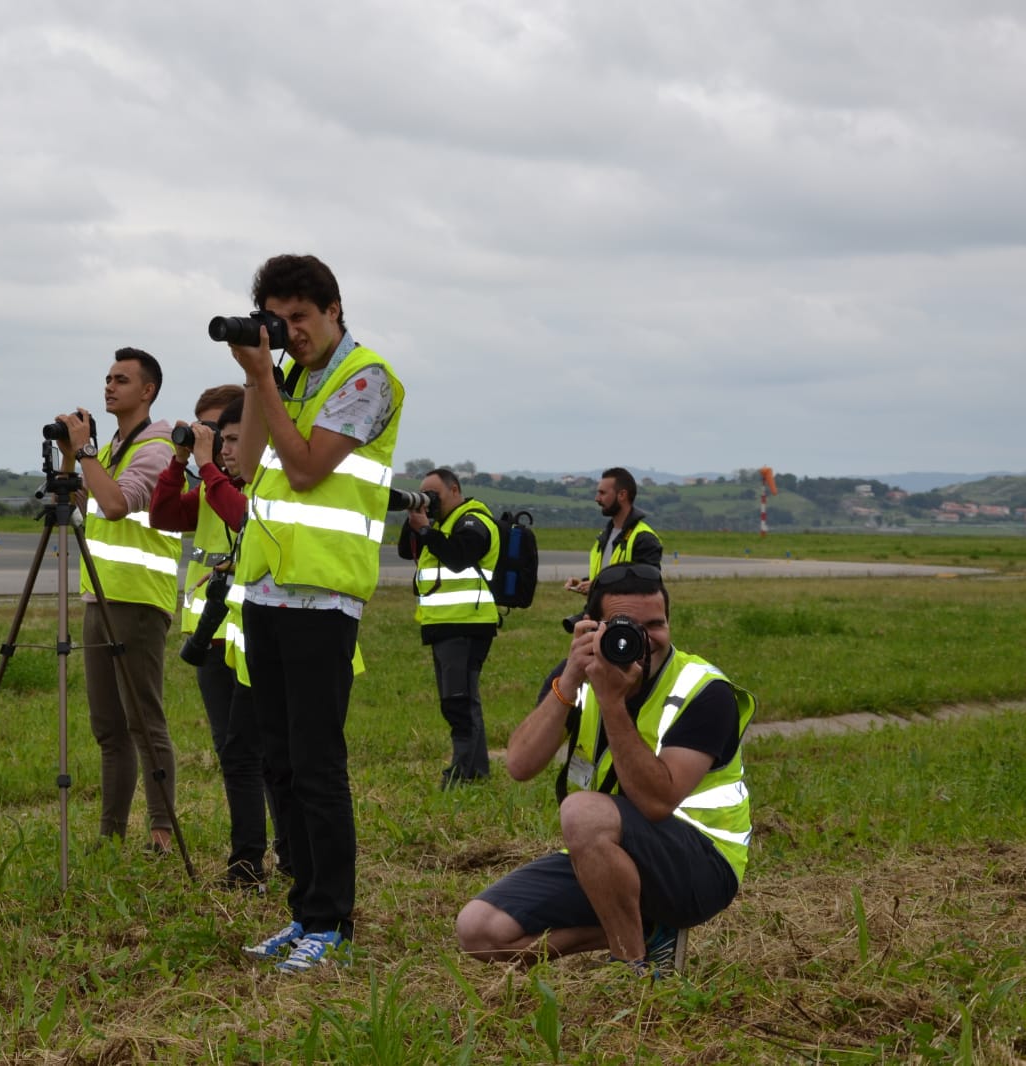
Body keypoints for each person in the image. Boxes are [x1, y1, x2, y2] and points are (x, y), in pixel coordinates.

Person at [227, 254, 405, 973]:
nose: (290, 332)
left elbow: (304, 468)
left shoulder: (366, 378)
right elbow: (244, 465)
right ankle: (303, 911)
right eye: (279, 319)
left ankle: (331, 919)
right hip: (268, 590)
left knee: (317, 764)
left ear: (334, 309)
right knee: (278, 761)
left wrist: (265, 377)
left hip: (324, 596)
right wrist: (255, 376)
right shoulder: (286, 378)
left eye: (300, 317)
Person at [455, 563, 755, 977]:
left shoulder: (704, 691)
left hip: (701, 866)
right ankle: (647, 931)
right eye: (627, 626)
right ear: (591, 626)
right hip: (608, 852)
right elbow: (521, 765)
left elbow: (656, 801)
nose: (645, 639)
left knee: (581, 811)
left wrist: (612, 703)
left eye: (657, 624)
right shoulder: (578, 677)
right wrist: (571, 677)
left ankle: (630, 970)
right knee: (479, 931)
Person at [51, 348, 182, 852]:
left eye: (121, 379)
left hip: (139, 602)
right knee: (108, 727)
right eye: (107, 378)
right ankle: (110, 834)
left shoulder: (155, 447)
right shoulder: (112, 451)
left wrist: (85, 454)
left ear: (147, 391)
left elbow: (114, 503)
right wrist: (71, 455)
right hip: (98, 598)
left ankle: (161, 831)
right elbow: (82, 506)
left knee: (143, 722)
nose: (109, 386)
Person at [150, 386, 278, 888]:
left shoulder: (262, 486)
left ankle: (263, 859)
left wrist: (204, 466)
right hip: (211, 638)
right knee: (235, 754)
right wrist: (179, 460)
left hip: (252, 636)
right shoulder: (209, 484)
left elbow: (241, 515)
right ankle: (249, 859)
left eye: (227, 436)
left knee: (263, 756)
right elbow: (162, 515)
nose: (220, 447)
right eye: (211, 435)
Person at [397, 467, 501, 787]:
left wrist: (427, 531)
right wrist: (417, 517)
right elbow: (405, 550)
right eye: (425, 495)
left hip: (467, 623)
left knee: (458, 700)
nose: (431, 501)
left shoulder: (474, 520)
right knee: (462, 698)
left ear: (454, 490)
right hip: (444, 624)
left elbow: (459, 557)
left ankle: (460, 773)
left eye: (434, 496)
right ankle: (476, 771)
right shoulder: (440, 524)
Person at [565, 467, 663, 596]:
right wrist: (584, 583)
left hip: (624, 615)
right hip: (600, 611)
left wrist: (597, 587)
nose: (597, 499)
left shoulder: (644, 539)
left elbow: (647, 586)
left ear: (622, 495)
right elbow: (607, 576)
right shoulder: (605, 535)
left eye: (602, 493)